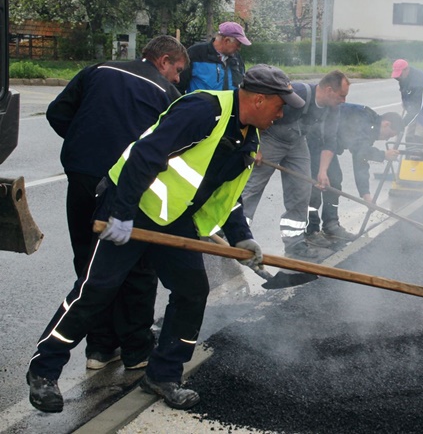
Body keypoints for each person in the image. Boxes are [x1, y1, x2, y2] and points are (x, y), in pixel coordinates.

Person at [27, 64, 304, 413]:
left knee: (192, 291)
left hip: (173, 218)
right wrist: (123, 212)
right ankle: (44, 370)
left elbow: (224, 194)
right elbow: (145, 154)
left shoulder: (248, 136)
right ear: (260, 100)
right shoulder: (205, 109)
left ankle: (164, 373)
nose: (281, 115)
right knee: (96, 289)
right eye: (280, 106)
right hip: (132, 204)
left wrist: (242, 239)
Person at [45, 35, 188, 372]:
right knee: (136, 266)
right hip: (125, 186)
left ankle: (100, 347)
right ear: (164, 60)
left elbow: (57, 114)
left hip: (82, 176)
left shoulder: (97, 70)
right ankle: (136, 349)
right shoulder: (168, 95)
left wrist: (86, 141)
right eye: (178, 69)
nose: (178, 78)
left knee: (89, 262)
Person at [241, 70, 350, 260]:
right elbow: (256, 110)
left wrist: (323, 171)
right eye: (342, 95)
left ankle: (295, 244)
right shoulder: (298, 92)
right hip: (270, 138)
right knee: (253, 187)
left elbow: (330, 140)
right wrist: (254, 145)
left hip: (298, 142)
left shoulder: (333, 109)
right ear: (329, 90)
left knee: (301, 190)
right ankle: (236, 234)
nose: (344, 100)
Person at [306, 104, 402, 244]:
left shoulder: (370, 127)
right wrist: (383, 155)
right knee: (316, 185)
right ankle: (311, 230)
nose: (386, 139)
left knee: (334, 180)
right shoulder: (364, 120)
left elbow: (360, 161)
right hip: (314, 140)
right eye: (389, 135)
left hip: (327, 144)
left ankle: (331, 225)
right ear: (386, 124)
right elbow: (360, 150)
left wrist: (366, 195)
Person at [177, 21, 251, 94]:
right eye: (238, 44)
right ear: (227, 41)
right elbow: (178, 86)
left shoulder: (237, 59)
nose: (239, 48)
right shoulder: (196, 53)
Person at [391, 59, 423, 145]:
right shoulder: (402, 77)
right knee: (409, 136)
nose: (398, 77)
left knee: (419, 137)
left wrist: (402, 124)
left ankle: (419, 156)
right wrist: (406, 104)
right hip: (416, 103)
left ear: (406, 69)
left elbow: (418, 108)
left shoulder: (418, 82)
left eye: (400, 74)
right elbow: (404, 91)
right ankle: (409, 156)